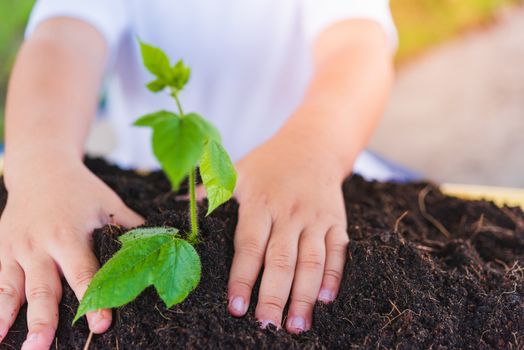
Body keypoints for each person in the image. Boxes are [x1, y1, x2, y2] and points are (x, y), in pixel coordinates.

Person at [0, 1, 397, 349]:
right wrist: (40, 160)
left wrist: (313, 152)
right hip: (149, 178)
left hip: (307, 181)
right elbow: (63, 39)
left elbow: (358, 43)